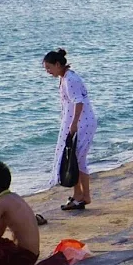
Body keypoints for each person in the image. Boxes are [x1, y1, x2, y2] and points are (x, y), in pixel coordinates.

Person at [42, 51, 95, 211]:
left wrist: (73, 126)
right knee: (75, 159)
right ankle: (80, 194)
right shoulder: (65, 78)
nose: (48, 71)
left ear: (58, 65)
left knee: (76, 160)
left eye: (49, 68)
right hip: (77, 122)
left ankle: (82, 195)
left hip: (81, 123)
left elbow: (79, 103)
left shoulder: (70, 80)